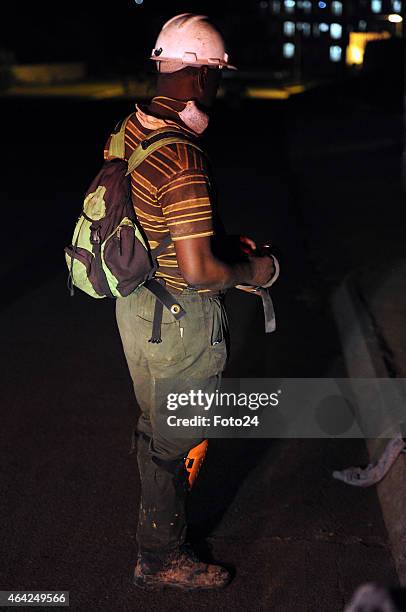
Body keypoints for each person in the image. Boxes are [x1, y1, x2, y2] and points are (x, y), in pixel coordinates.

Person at [105, 13, 276, 591]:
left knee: (158, 426)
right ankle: (160, 556)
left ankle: (159, 532)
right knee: (177, 437)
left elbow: (156, 228)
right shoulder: (184, 159)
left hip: (134, 306)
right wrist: (255, 269)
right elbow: (200, 272)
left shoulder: (130, 129)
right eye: (217, 76)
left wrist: (219, 242)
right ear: (202, 77)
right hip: (178, 320)